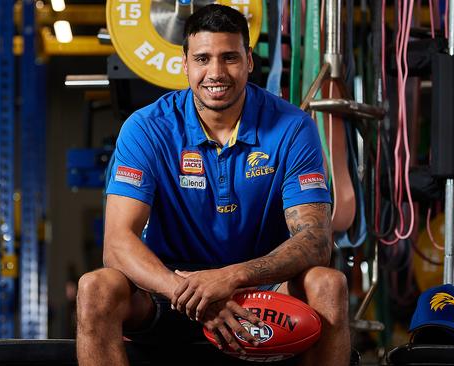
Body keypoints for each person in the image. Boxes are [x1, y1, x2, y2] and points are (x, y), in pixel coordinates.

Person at [76, 4, 350, 366]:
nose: (216, 72)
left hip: (262, 298)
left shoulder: (292, 127)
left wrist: (232, 278)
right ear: (185, 63)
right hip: (170, 295)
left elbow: (316, 241)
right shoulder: (147, 128)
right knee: (95, 288)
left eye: (230, 58)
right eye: (203, 58)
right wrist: (191, 292)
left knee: (329, 285)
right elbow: (117, 243)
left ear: (249, 61)